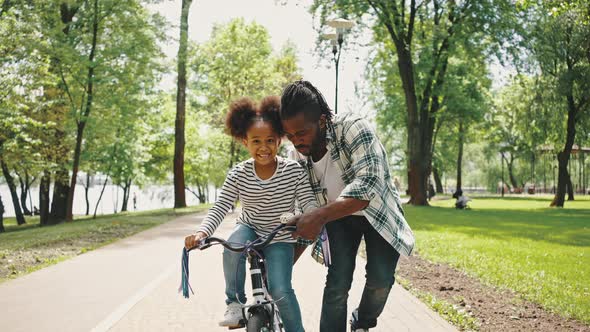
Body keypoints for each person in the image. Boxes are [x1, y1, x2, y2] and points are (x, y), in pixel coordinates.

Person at [279, 80, 415, 332]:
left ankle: (361, 322)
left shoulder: (354, 128)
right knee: (337, 283)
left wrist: (317, 217)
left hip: (377, 213)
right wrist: (281, 269)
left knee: (380, 281)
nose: (296, 142)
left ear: (321, 121)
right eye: (290, 136)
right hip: (337, 218)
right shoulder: (296, 158)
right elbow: (303, 217)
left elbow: (368, 186)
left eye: (301, 133)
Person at [184, 96, 317, 332]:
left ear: (279, 140)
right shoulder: (239, 173)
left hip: (280, 235)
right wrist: (203, 231)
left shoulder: (293, 171)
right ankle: (234, 303)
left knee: (280, 290)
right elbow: (221, 205)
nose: (263, 147)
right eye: (256, 141)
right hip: (250, 229)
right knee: (232, 244)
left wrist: (307, 218)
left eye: (270, 140)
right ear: (245, 141)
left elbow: (308, 203)